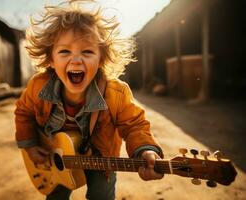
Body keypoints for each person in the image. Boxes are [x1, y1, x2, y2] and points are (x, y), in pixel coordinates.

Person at [14, 1, 164, 199]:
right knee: (56, 195)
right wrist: (30, 145)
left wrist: (144, 150)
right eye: (64, 51)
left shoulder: (115, 93)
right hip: (54, 157)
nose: (76, 60)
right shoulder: (38, 86)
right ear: (50, 59)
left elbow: (134, 125)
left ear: (101, 58)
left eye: (87, 51)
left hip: (101, 160)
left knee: (101, 195)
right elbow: (23, 112)